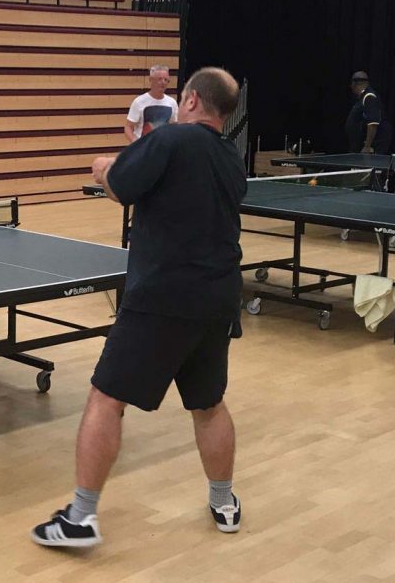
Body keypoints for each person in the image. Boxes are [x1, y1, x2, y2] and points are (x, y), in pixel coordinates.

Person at [31, 67, 246, 548]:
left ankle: (80, 518)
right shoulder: (232, 159)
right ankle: (224, 502)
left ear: (189, 100)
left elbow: (120, 186)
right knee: (208, 405)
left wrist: (106, 166)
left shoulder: (170, 140)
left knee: (106, 399)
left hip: (162, 298)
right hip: (217, 298)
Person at [124, 65, 178, 143]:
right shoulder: (139, 101)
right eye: (159, 79)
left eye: (166, 80)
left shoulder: (172, 102)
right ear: (151, 80)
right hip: (143, 149)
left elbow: (174, 126)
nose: (163, 82)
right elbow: (128, 127)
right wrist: (134, 142)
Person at [346, 71, 391, 154]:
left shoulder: (369, 97)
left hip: (374, 146)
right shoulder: (362, 98)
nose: (351, 87)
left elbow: (373, 123)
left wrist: (367, 146)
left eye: (352, 84)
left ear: (356, 84)